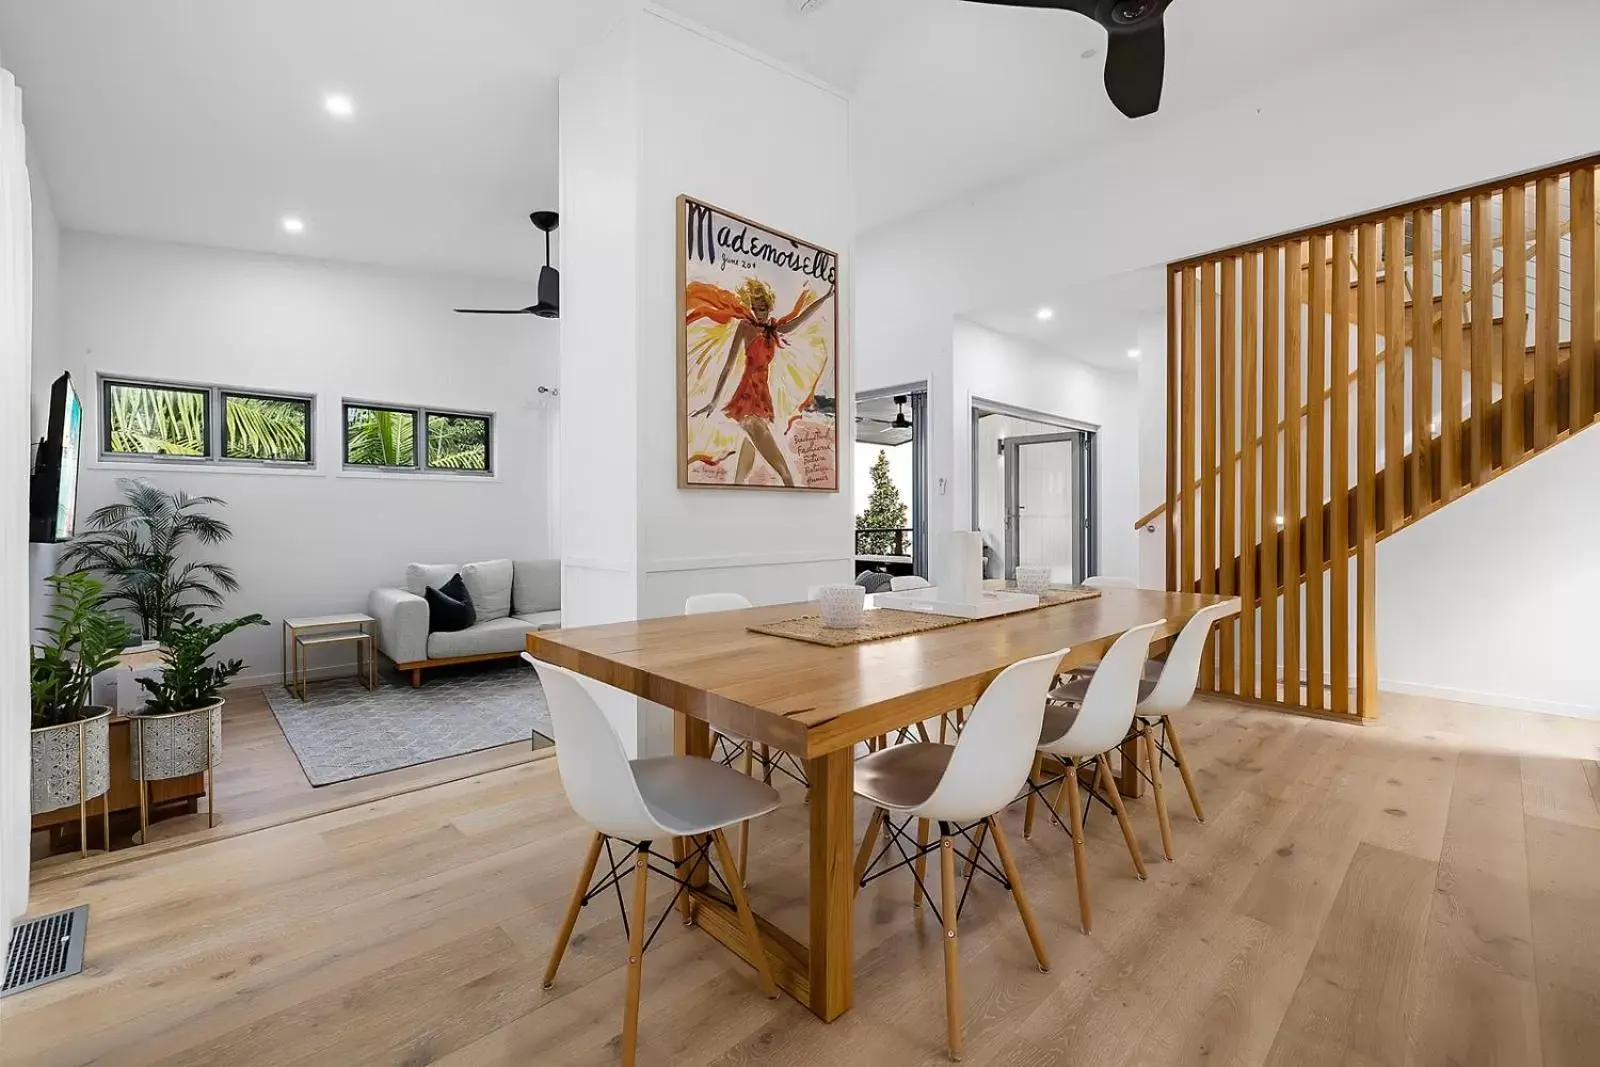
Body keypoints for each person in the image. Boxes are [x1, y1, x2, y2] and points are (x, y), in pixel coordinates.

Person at [687, 276, 835, 486]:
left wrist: (826, 298)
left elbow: (800, 320)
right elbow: (728, 366)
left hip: (762, 401)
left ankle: (735, 497)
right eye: (757, 309)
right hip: (747, 402)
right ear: (752, 309)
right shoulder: (745, 327)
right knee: (785, 474)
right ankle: (794, 505)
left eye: (764, 308)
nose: (760, 313)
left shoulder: (773, 330)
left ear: (769, 307)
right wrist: (713, 401)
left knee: (742, 470)